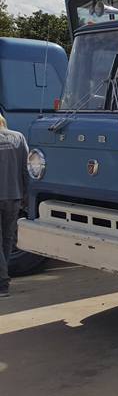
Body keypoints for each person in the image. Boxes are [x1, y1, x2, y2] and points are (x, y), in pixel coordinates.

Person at [0, 113, 29, 298]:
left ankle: (2, 284)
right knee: (8, 239)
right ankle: (3, 280)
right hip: (14, 196)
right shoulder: (18, 137)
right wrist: (26, 194)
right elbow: (27, 168)